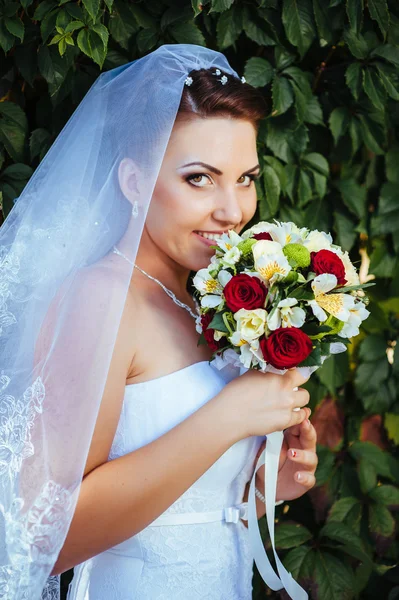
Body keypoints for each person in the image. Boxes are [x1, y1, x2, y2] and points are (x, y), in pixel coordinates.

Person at [0, 45, 317, 600]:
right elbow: (41, 539)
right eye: (200, 178)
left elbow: (179, 513)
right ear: (133, 181)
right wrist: (228, 417)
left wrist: (262, 488)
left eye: (246, 178)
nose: (232, 209)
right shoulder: (100, 299)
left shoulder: (206, 300)